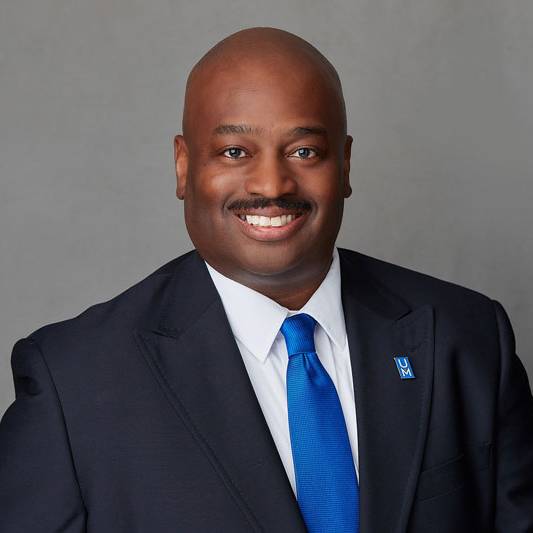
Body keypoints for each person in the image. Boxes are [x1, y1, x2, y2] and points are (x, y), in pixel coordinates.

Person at [0, 26, 532, 533]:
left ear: (345, 165)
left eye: (304, 152)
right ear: (183, 166)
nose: (273, 184)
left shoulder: (467, 339)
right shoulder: (74, 383)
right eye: (235, 152)